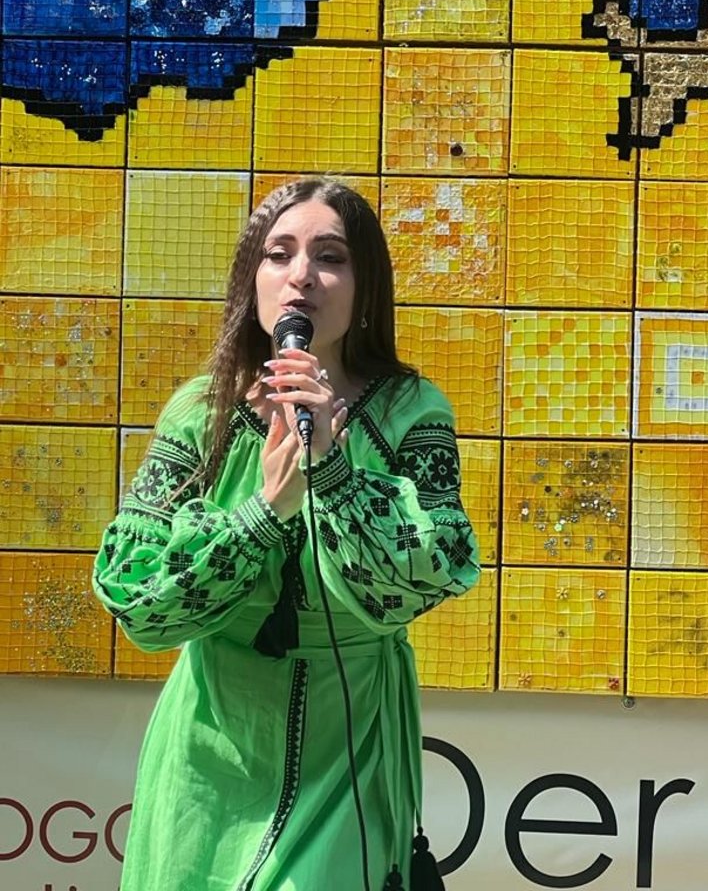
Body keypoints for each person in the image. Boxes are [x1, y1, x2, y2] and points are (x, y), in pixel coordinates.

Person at [93, 177, 480, 891]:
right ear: (253, 278)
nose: (301, 275)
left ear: (366, 286)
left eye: (330, 257)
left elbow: (428, 574)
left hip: (349, 737)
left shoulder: (411, 410)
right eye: (279, 254)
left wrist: (332, 470)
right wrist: (263, 511)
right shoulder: (201, 413)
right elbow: (137, 597)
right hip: (212, 743)